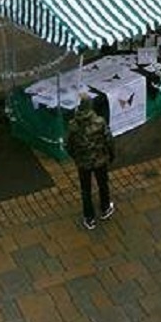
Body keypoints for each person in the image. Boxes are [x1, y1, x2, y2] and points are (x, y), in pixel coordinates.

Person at [64, 93, 115, 230]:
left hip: (83, 163)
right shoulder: (100, 122)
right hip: (100, 160)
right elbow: (108, 140)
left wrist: (76, 157)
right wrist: (111, 155)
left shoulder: (73, 125)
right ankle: (105, 208)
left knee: (85, 190)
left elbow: (68, 145)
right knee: (103, 184)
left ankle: (89, 218)